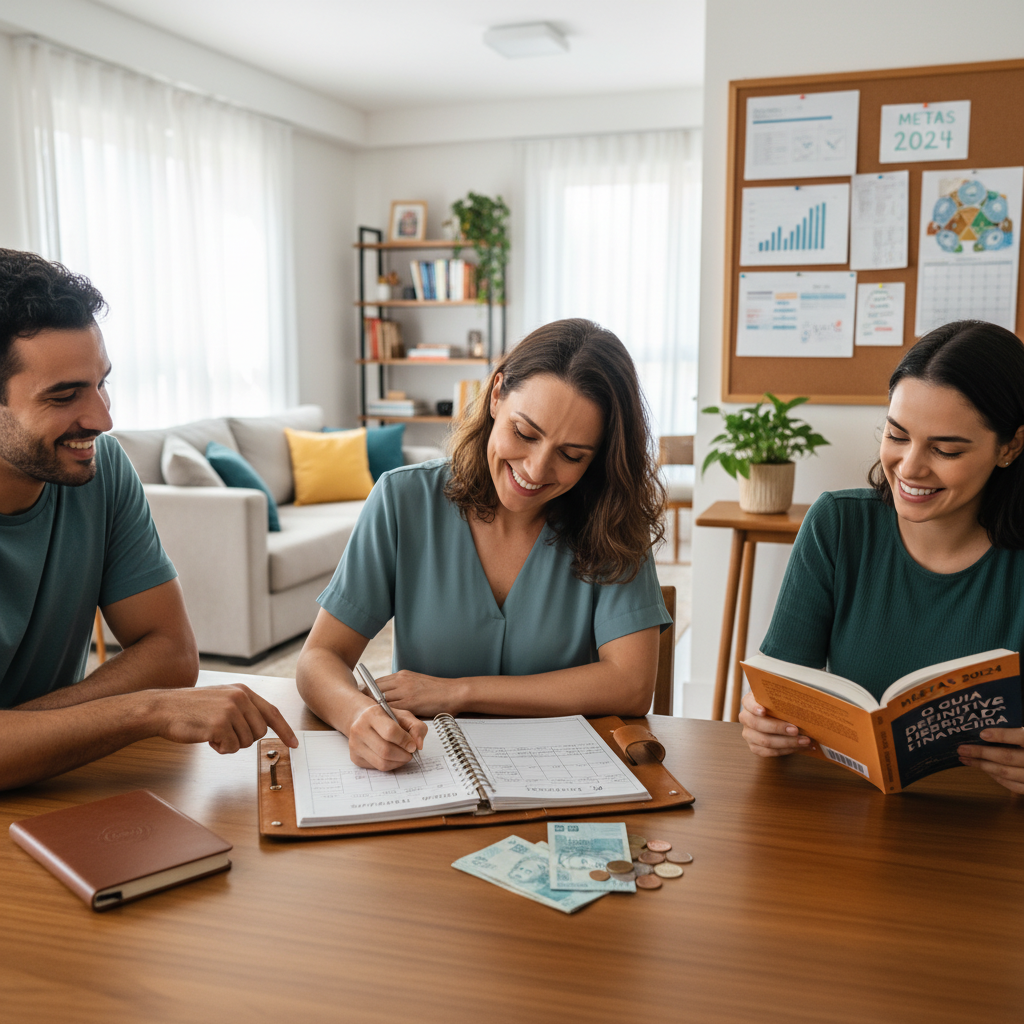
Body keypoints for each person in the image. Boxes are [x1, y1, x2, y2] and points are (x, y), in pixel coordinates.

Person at [297, 319, 672, 771]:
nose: (535, 469)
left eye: (572, 455)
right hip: (429, 778)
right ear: (496, 395)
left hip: (568, 783)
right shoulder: (403, 500)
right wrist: (358, 715)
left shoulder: (614, 520)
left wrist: (459, 692)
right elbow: (319, 658)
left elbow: (631, 686)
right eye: (525, 433)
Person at [0, 248, 296, 789]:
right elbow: (161, 690)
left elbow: (172, 653)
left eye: (101, 382)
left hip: (52, 784)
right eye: (65, 395)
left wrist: (22, 736)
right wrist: (144, 711)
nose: (102, 418)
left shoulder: (100, 467)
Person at [740, 320, 1024, 795]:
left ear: (1010, 446)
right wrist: (763, 720)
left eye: (946, 449)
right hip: (857, 812)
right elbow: (778, 688)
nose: (910, 467)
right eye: (897, 435)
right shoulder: (838, 525)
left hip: (995, 831)